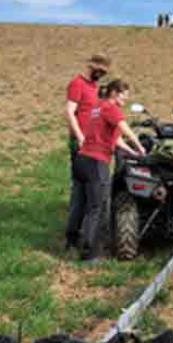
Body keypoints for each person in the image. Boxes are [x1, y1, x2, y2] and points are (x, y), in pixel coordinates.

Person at [74, 78, 147, 261]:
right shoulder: (111, 108)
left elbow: (114, 139)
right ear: (114, 92)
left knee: (83, 205)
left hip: (82, 160)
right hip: (96, 163)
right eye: (124, 95)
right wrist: (140, 147)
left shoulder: (98, 108)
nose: (126, 100)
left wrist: (131, 151)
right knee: (97, 209)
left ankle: (74, 241)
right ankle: (90, 255)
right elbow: (125, 129)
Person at [64, 53, 112, 250]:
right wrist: (80, 137)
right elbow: (69, 111)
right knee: (82, 192)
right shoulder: (77, 84)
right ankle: (74, 238)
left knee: (88, 192)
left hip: (94, 145)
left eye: (103, 72)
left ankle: (81, 235)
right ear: (90, 67)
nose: (100, 74)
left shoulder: (95, 88)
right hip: (82, 145)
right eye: (98, 70)